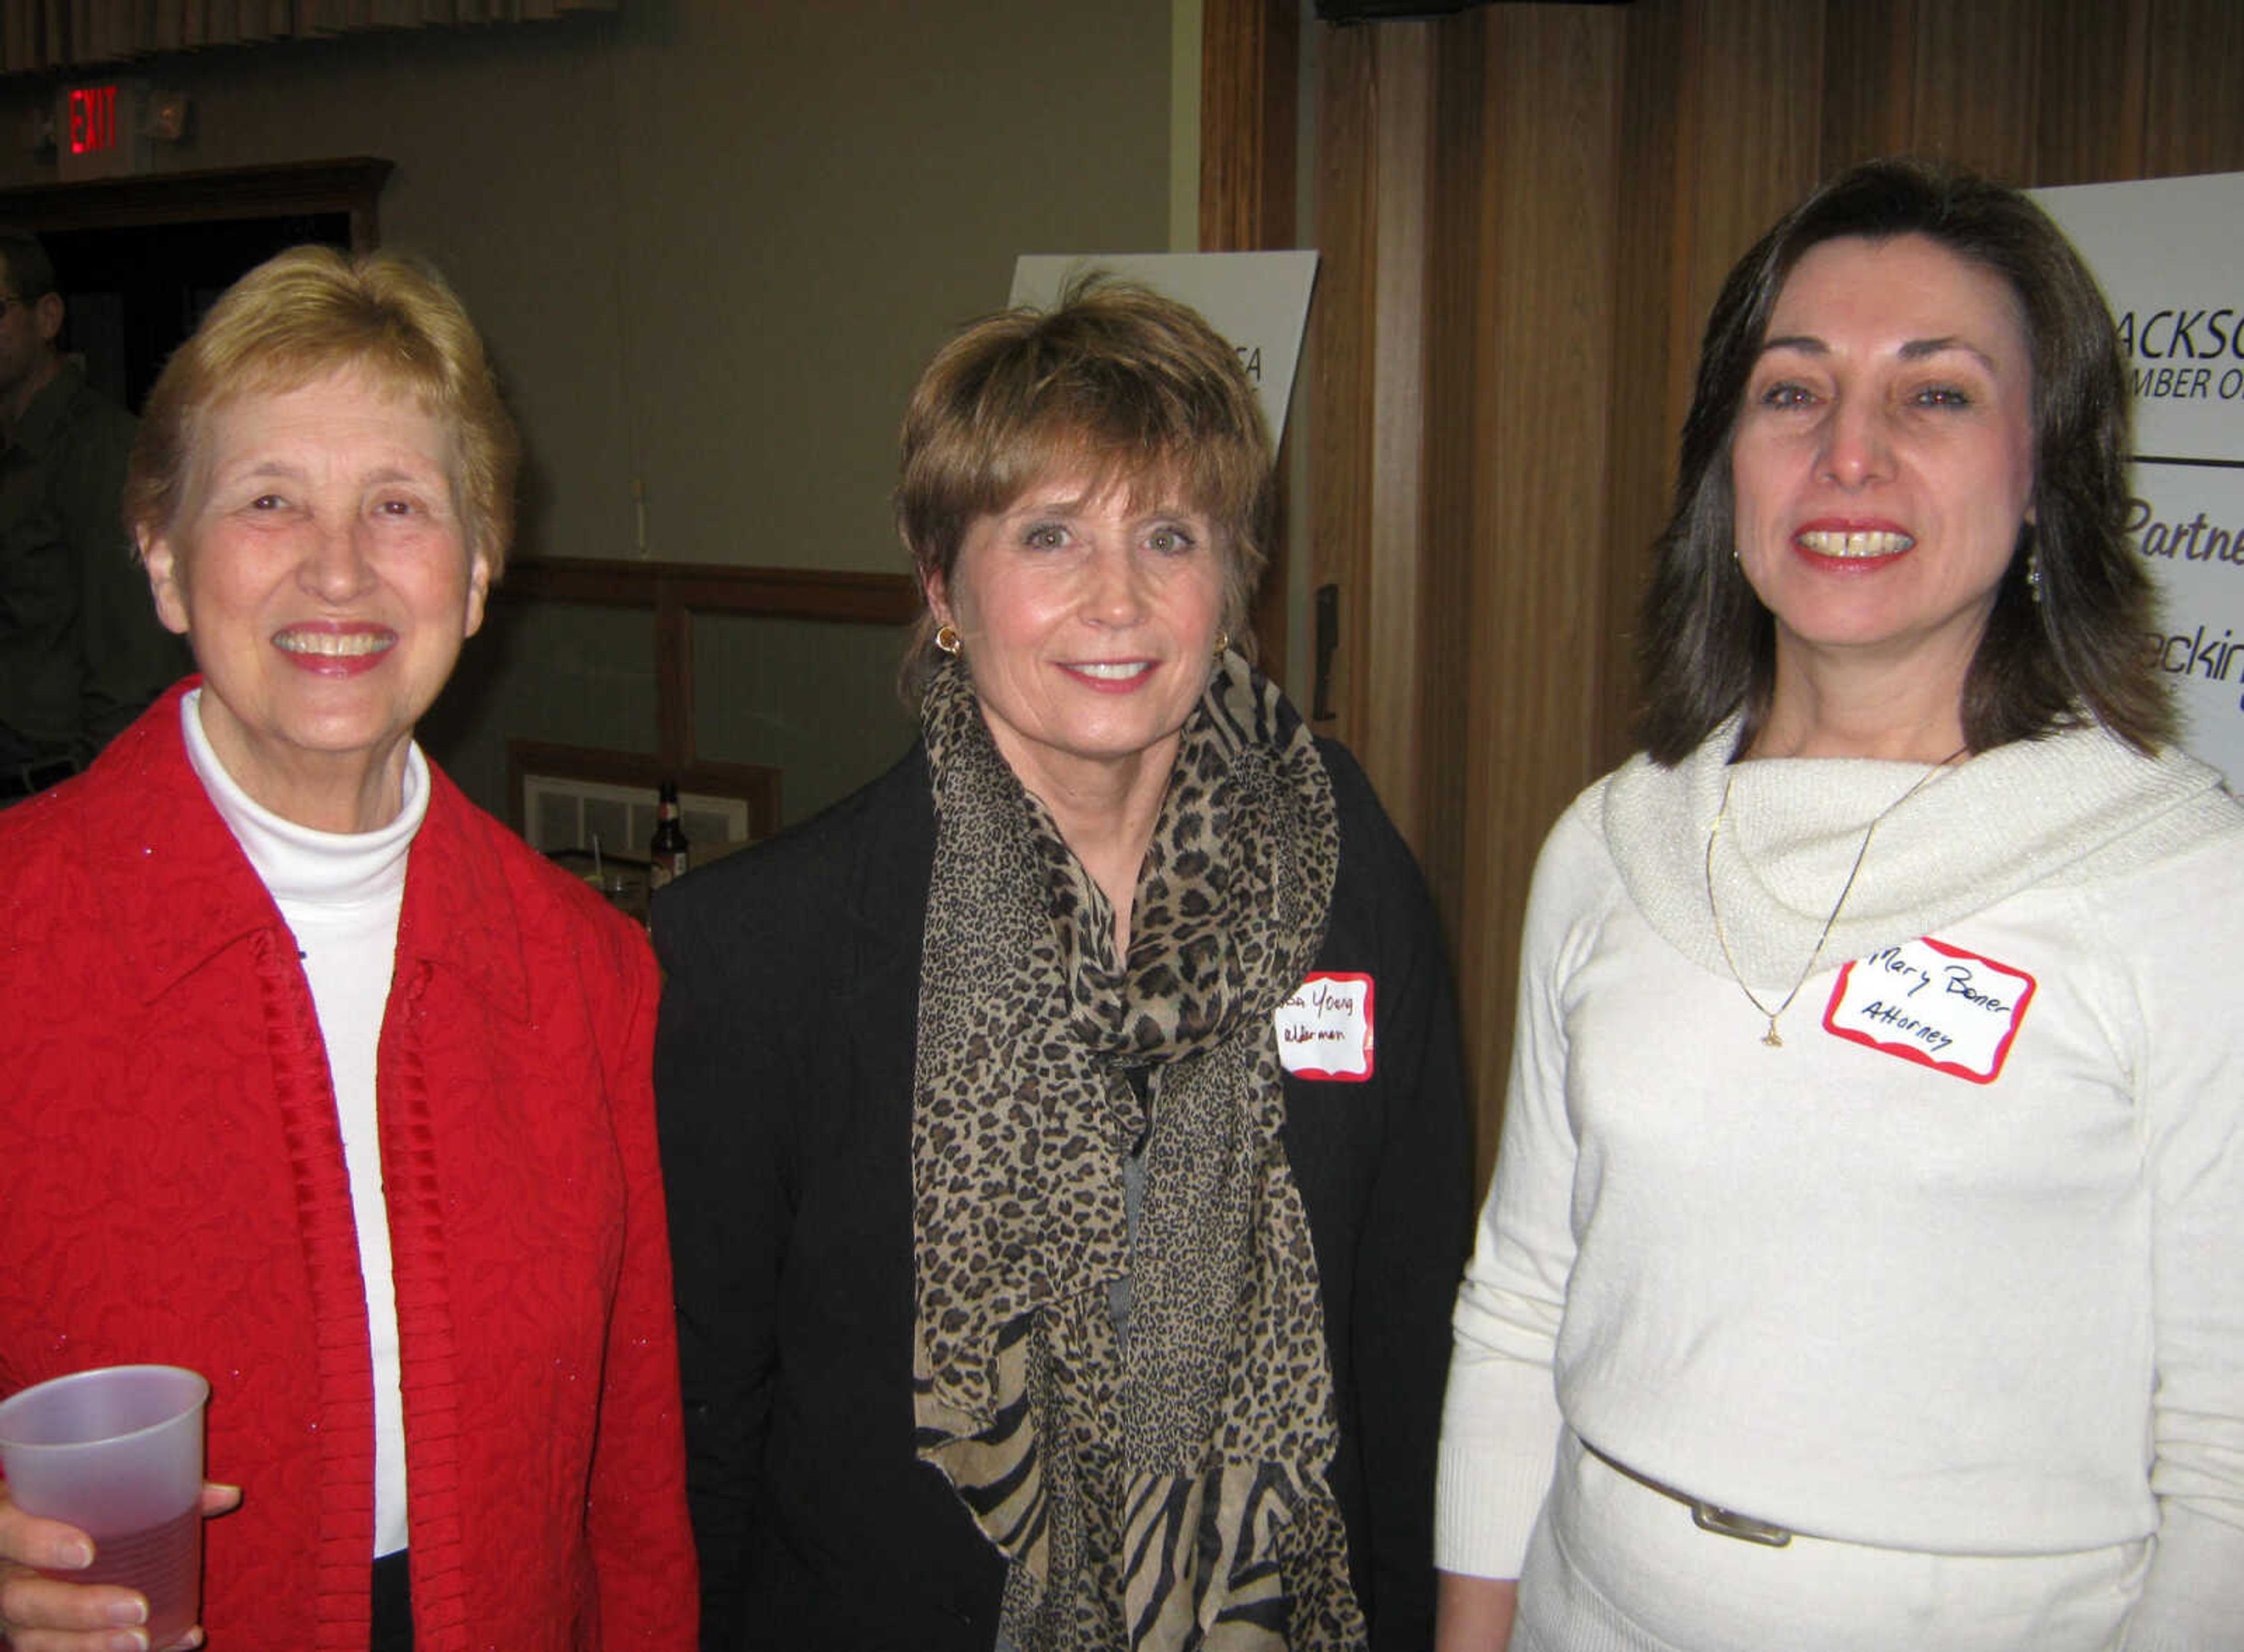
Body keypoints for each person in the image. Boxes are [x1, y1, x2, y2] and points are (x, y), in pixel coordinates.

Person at [1433, 157, 2244, 1652]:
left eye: (1934, 395)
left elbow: (2227, 1462)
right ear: (1722, 465)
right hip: (1578, 1602)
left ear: (2045, 469)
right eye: (1790, 392)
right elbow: (1517, 1307)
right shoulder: (1611, 844)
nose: (1847, 455)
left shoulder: (2180, 882)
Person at [656, 276, 1471, 1651]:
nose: (1118, 597)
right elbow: (705, 1439)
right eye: (1048, 534)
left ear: (1233, 580)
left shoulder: (1348, 875)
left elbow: (1405, 1325)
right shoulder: (757, 956)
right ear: (941, 586)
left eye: (1169, 533)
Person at [0, 246, 697, 1651]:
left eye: (399, 505)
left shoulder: (585, 971)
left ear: (480, 568)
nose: (338, 567)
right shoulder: (18, 932)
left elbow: (631, 1479)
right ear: (161, 554)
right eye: (268, 501)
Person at [0, 233, 188, 800]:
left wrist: (99, 812)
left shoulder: (103, 450)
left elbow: (134, 674)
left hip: (56, 790)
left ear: (47, 316)